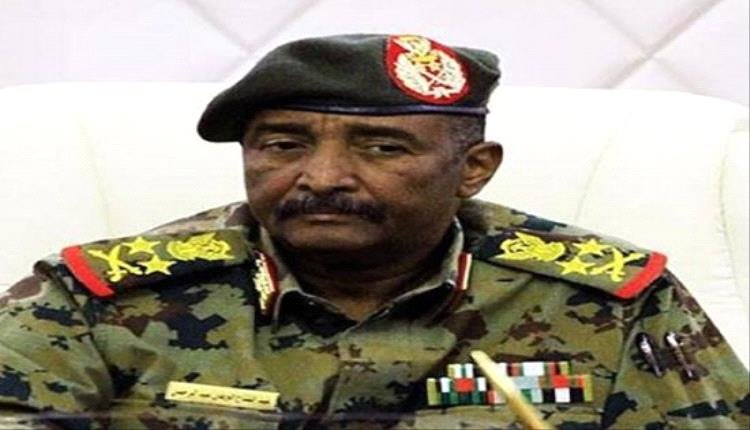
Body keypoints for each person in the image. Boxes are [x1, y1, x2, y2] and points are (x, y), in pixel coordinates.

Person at [0, 34, 747, 429]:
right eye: (283, 145)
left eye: (381, 147)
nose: (323, 177)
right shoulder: (97, 300)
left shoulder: (611, 303)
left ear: (474, 169)